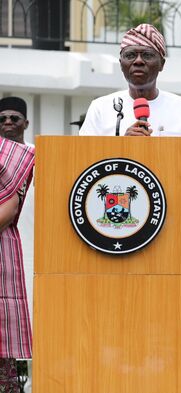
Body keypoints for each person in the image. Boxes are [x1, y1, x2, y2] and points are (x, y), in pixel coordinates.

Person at [79, 23, 181, 190]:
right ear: (121, 63)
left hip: (174, 207)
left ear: (162, 64)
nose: (138, 61)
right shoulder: (100, 107)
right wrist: (121, 146)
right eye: (130, 55)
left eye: (147, 55)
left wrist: (179, 188)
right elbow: (83, 162)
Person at [0, 97, 35, 391]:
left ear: (26, 123)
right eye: (2, 119)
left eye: (14, 118)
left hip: (20, 249)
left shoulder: (33, 157)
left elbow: (11, 209)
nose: (8, 123)